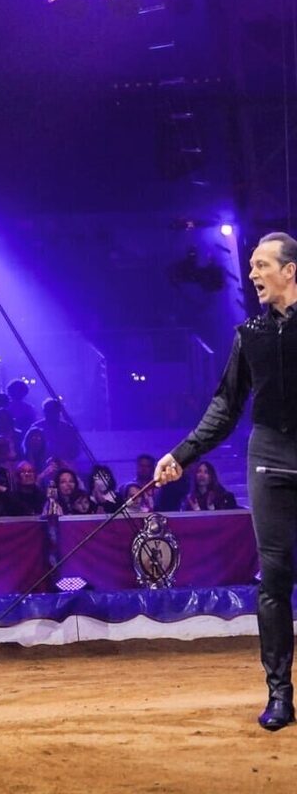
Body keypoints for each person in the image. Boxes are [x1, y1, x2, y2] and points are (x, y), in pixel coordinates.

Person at [155, 231, 297, 730]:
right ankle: (279, 695)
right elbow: (224, 407)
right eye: (252, 265)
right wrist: (181, 455)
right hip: (270, 459)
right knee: (274, 578)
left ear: (290, 271)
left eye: (262, 265)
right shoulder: (249, 334)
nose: (252, 273)